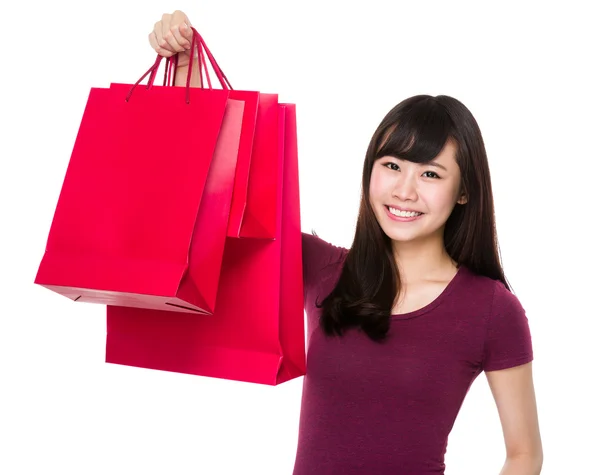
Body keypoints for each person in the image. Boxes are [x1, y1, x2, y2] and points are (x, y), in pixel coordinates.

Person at [148, 10, 543, 475]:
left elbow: (524, 454)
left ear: (463, 192)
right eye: (392, 165)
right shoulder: (322, 269)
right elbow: (210, 207)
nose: (405, 191)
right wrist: (187, 77)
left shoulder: (492, 310)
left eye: (430, 174)